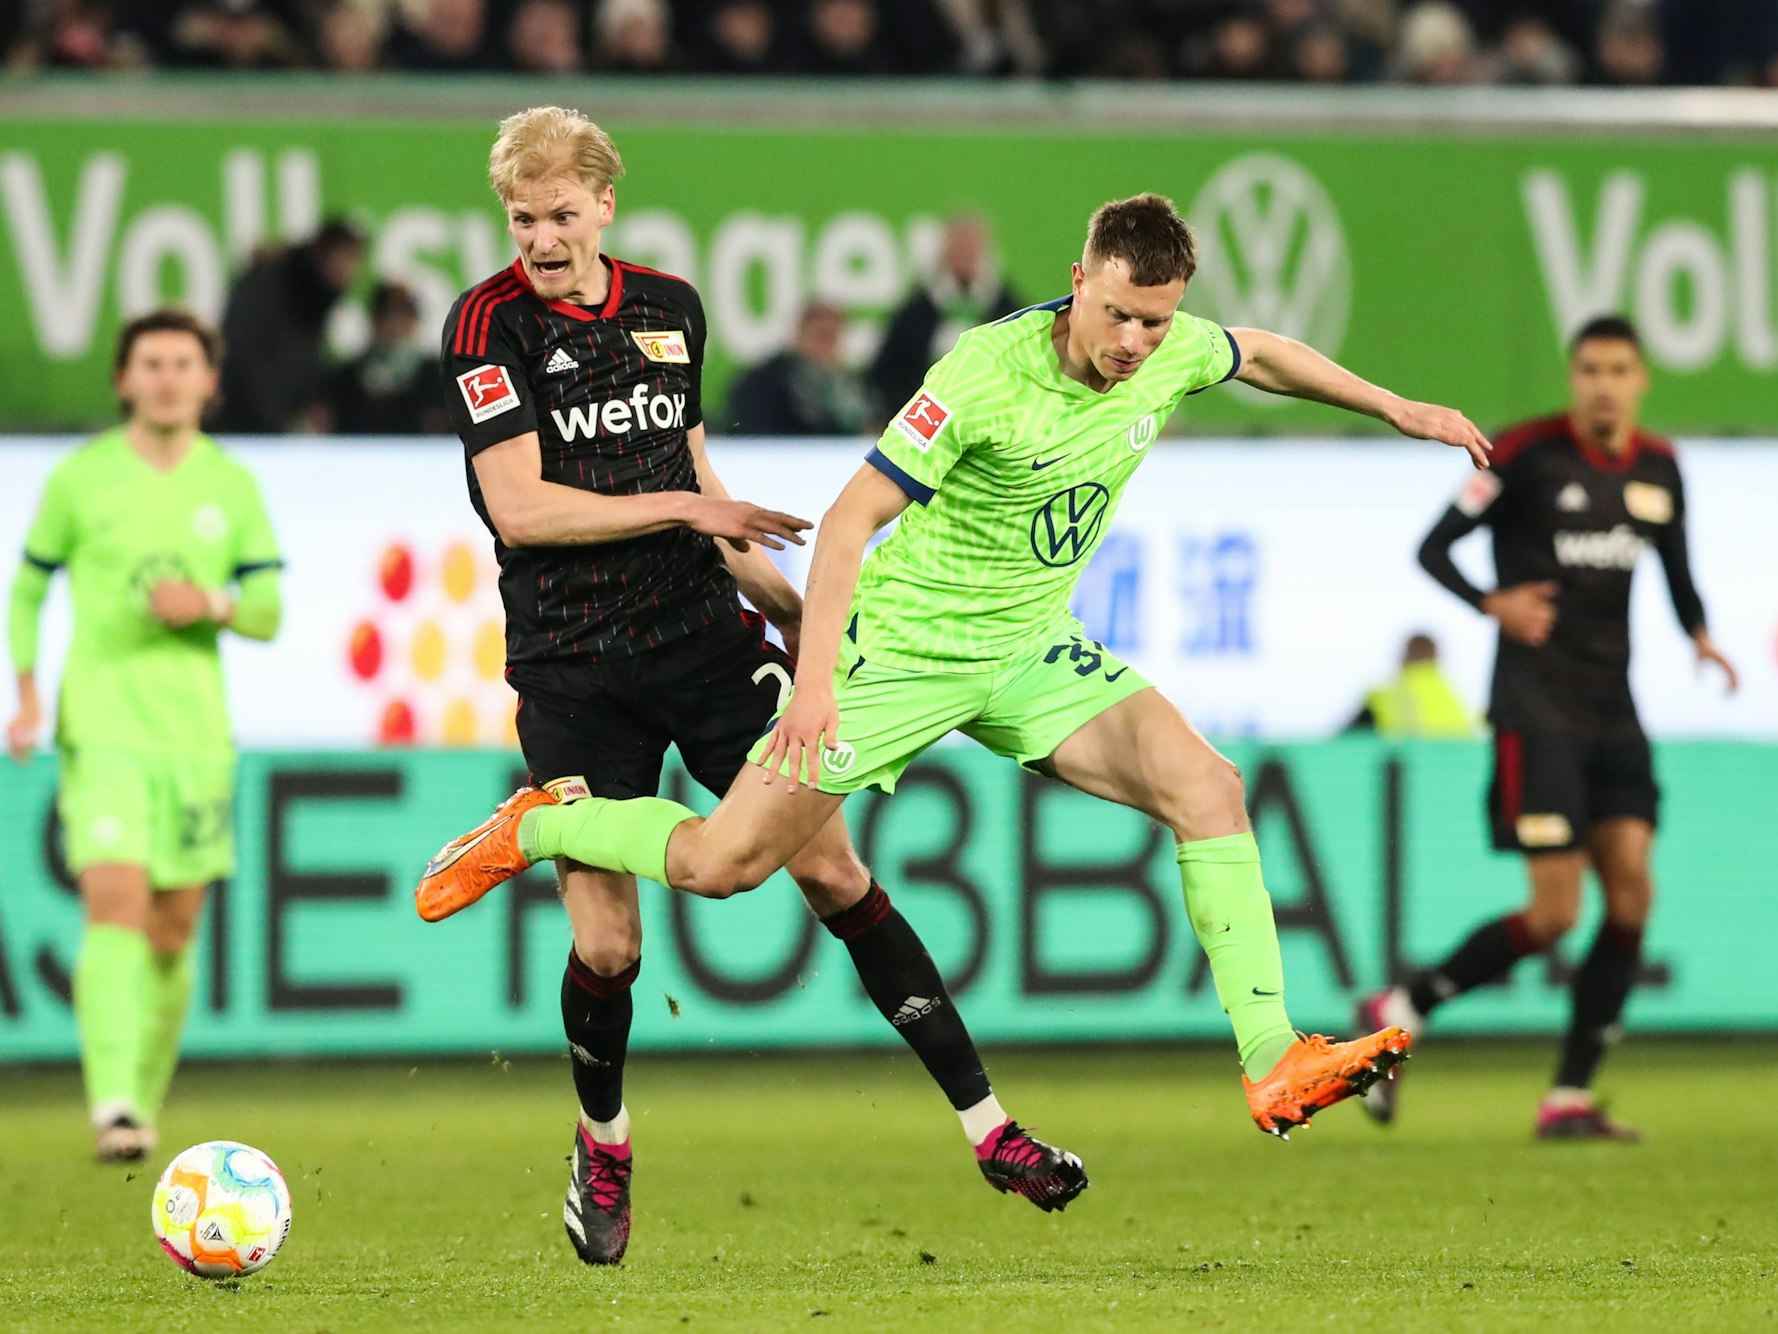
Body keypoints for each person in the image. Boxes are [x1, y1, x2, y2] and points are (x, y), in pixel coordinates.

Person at [422, 192, 1499, 1150]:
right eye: (1115, 313)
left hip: (1027, 648)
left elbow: (1258, 352)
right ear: (1078, 282)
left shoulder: (1175, 346)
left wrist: (1397, 409)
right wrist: (815, 676)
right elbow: (848, 519)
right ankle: (537, 826)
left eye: (1153, 320)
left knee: (1207, 786)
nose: (1132, 341)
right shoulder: (983, 372)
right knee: (720, 864)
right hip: (900, 651)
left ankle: (1270, 1054)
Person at [424, 106, 1086, 1267]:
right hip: (573, 665)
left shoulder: (670, 307)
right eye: (522, 218)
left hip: (703, 641)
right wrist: (691, 510)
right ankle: (605, 1142)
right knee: (613, 948)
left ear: (605, 205)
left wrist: (784, 603)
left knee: (829, 864)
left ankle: (992, 1129)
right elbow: (522, 506)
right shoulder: (485, 325)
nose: (540, 236)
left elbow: (686, 464)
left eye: (561, 214)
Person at [1356, 315, 1738, 1140]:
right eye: (1591, 368)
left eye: (1620, 369)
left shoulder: (1661, 469)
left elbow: (1676, 569)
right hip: (1537, 709)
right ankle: (1407, 1004)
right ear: (1575, 377)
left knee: (1633, 890)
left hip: (1615, 710)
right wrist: (1490, 603)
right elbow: (1435, 547)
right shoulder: (1522, 452)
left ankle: (1568, 1095)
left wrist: (1702, 636)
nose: (1605, 383)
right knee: (1557, 912)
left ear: (1641, 380)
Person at [6, 308, 283, 1162]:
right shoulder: (82, 478)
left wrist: (214, 605)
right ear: (124, 379)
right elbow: (28, 588)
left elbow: (269, 612)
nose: (166, 376)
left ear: (209, 381)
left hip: (196, 737)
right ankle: (113, 1103)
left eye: (182, 362)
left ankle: (143, 1097)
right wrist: (27, 693)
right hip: (105, 728)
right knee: (116, 902)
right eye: (150, 362)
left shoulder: (231, 485)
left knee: (172, 929)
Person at [214, 217, 367, 434]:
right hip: (241, 426)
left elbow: (304, 363)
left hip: (270, 428)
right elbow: (243, 355)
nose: (347, 270)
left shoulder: (318, 300)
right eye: (342, 258)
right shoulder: (268, 284)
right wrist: (274, 422)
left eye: (354, 261)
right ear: (322, 253)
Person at [868, 214, 1023, 419]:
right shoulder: (915, 313)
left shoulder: (1008, 311)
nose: (965, 256)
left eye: (971, 249)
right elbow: (888, 373)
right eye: (958, 248)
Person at [727, 303, 876, 436]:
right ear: (800, 333)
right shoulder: (766, 382)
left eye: (833, 337)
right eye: (821, 335)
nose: (826, 345)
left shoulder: (852, 385)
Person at [328, 280, 448, 435]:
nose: (396, 325)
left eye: (405, 315)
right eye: (389, 315)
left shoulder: (438, 378)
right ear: (375, 320)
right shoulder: (344, 380)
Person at [1344, 632, 1477, 737]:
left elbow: (1344, 742)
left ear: (1404, 655)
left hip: (1410, 769)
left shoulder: (1386, 698)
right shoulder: (1459, 701)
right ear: (1437, 658)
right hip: (1456, 770)